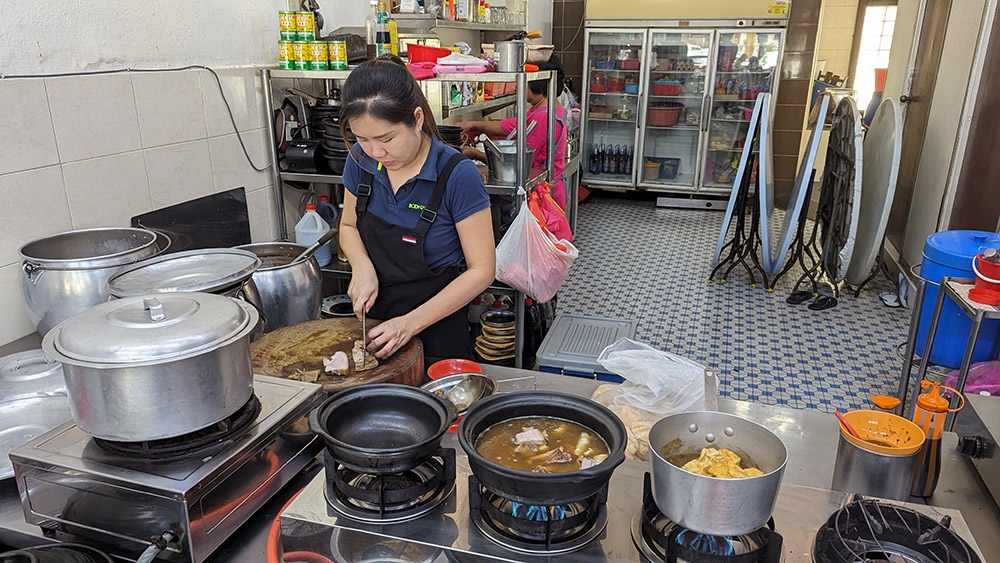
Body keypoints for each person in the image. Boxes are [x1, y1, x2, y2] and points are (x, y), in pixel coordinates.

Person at [339, 55, 495, 364]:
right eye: (362, 139)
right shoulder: (361, 160)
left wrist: (409, 324)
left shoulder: (456, 175)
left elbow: (482, 270)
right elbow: (348, 227)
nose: (376, 152)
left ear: (417, 118)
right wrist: (362, 267)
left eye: (387, 138)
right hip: (376, 327)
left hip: (437, 329)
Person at [457, 55, 570, 210]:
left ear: (538, 85)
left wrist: (475, 154)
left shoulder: (543, 117)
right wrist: (472, 125)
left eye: (525, 82)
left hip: (541, 196)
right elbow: (507, 126)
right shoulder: (547, 109)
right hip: (544, 191)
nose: (520, 87)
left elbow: (518, 164)